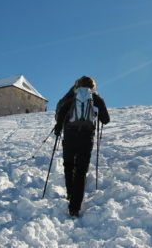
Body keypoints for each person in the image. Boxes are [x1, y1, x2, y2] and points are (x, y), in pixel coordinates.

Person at [54, 76, 110, 217]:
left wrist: (58, 128)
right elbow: (106, 119)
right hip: (86, 137)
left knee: (68, 165)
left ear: (78, 85)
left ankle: (69, 193)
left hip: (70, 135)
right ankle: (74, 208)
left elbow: (61, 112)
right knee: (81, 171)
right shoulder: (96, 98)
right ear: (92, 86)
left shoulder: (72, 96)